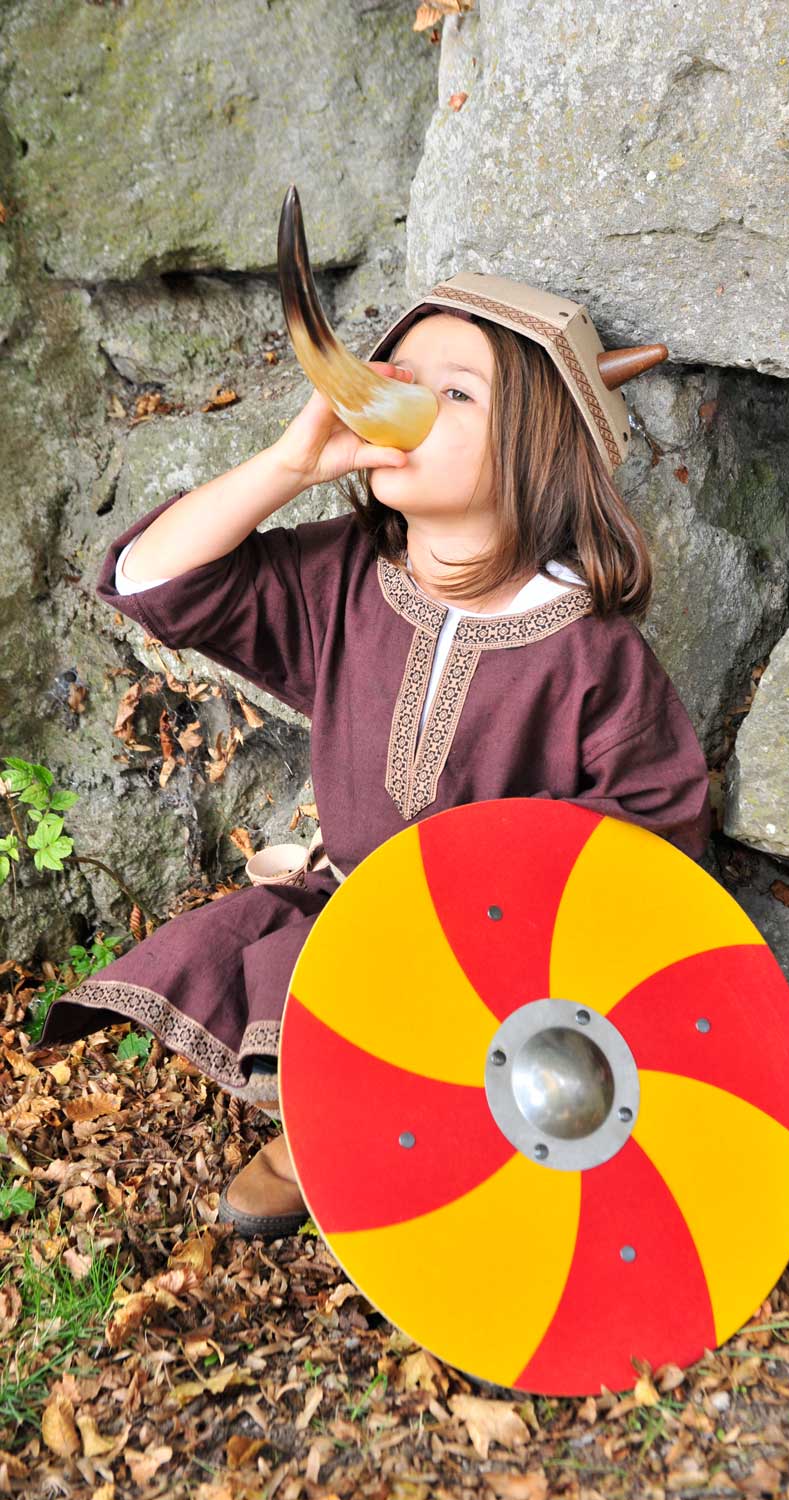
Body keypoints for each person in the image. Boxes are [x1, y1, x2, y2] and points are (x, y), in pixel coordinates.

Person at [29, 275, 711, 1238]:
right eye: (399, 379)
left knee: (484, 1084)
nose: (407, 406)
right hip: (352, 915)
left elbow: (658, 831)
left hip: (509, 971)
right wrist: (286, 463)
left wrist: (515, 901)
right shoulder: (346, 573)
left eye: (457, 393)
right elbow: (156, 584)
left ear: (542, 445)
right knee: (325, 987)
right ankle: (324, 1127)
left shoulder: (590, 653)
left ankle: (442, 1154)